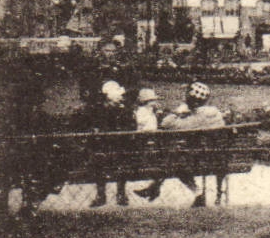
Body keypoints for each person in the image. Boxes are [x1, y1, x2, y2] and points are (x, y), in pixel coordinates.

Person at [136, 83, 226, 207]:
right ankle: (156, 188)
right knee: (176, 159)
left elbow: (166, 124)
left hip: (197, 160)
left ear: (190, 99)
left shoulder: (193, 120)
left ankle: (155, 187)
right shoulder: (216, 114)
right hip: (216, 159)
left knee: (175, 160)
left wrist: (178, 111)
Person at [85, 79, 134, 208]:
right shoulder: (104, 110)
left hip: (116, 149)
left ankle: (115, 194)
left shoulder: (119, 110)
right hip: (108, 148)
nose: (121, 97)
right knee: (103, 160)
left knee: (108, 160)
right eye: (119, 95)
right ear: (110, 97)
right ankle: (109, 194)